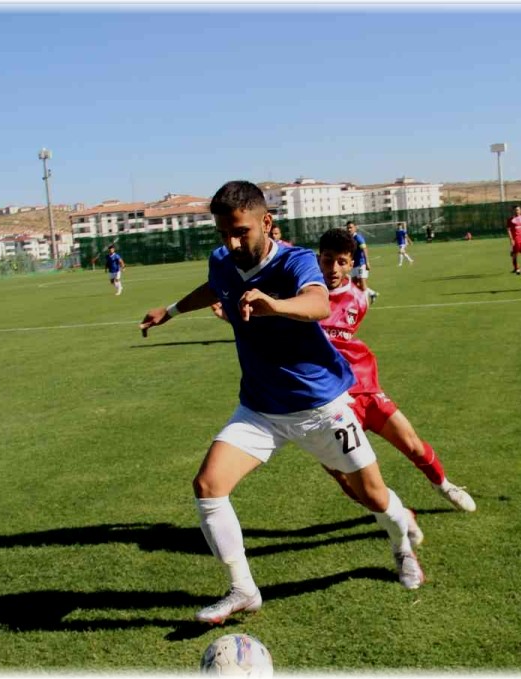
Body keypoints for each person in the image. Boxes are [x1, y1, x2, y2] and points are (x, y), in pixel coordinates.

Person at [138, 181, 424, 625]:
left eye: (241, 232)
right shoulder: (223, 260)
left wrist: (274, 304)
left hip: (320, 407)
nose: (232, 242)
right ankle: (243, 589)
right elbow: (215, 286)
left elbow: (317, 303)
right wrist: (170, 311)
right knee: (208, 486)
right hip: (260, 409)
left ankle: (401, 545)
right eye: (223, 234)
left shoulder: (296, 260)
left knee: (372, 496)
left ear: (266, 223)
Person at [316, 228, 475, 512]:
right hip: (326, 401)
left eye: (341, 261)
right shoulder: (304, 296)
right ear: (319, 259)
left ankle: (444, 485)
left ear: (351, 263)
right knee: (341, 472)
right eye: (328, 260)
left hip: (364, 389)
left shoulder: (359, 299)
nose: (333, 268)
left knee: (412, 443)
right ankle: (394, 514)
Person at [346, 221, 378, 302]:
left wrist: (367, 262)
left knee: (362, 285)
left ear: (355, 228)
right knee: (354, 285)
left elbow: (364, 249)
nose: (349, 229)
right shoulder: (349, 239)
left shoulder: (358, 238)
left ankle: (364, 303)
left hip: (361, 264)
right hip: (354, 265)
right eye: (348, 228)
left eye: (351, 227)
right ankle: (372, 293)